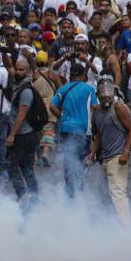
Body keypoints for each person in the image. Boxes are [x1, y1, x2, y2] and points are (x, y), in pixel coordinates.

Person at [86, 80, 131, 226]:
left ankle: (127, 228)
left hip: (118, 156)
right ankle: (111, 224)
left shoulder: (118, 107)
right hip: (105, 158)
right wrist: (92, 152)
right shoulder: (97, 112)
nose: (106, 99)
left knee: (118, 192)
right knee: (104, 192)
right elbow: (100, 135)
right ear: (98, 96)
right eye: (103, 97)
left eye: (109, 96)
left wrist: (126, 152)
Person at [49, 63, 98, 198]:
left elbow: (52, 106)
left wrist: (62, 117)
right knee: (82, 160)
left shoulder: (64, 88)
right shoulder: (89, 89)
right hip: (83, 130)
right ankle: (80, 190)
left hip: (65, 129)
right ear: (83, 76)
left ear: (71, 75)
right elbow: (95, 107)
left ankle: (69, 192)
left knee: (69, 157)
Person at [4, 56, 41, 200]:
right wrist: (5, 51)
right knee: (25, 168)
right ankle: (32, 196)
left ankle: (25, 195)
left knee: (15, 167)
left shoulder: (26, 91)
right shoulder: (18, 82)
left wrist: (12, 134)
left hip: (24, 136)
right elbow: (8, 66)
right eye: (17, 69)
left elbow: (21, 115)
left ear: (28, 72)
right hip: (22, 135)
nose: (17, 72)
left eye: (21, 70)